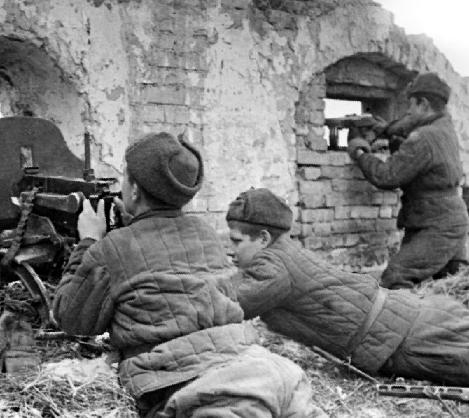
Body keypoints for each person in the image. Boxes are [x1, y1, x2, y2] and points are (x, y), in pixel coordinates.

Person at [53, 133, 326, 417]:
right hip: (266, 368)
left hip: (205, 386)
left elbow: (70, 317)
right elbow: (161, 249)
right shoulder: (204, 232)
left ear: (133, 190)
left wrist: (88, 241)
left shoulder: (112, 249)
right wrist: (134, 226)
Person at [227, 187, 469, 386]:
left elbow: (226, 308)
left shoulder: (273, 267)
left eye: (236, 241)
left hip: (401, 340)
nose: (230, 250)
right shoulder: (285, 251)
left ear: (263, 238)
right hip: (409, 314)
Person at [347, 72, 469, 289]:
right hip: (447, 219)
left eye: (411, 105)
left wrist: (359, 152)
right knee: (453, 285)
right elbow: (409, 125)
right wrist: (386, 129)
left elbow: (386, 176)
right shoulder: (444, 125)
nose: (408, 111)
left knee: (396, 276)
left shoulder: (423, 138)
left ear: (423, 104)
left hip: (437, 225)